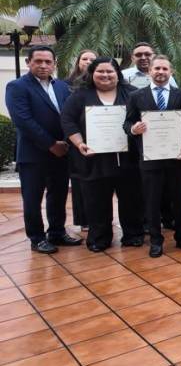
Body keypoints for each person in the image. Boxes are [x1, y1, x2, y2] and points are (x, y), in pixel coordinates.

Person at [61, 57, 144, 252]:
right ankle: (99, 238)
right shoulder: (80, 95)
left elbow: (143, 117)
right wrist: (79, 143)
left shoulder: (132, 93)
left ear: (117, 74)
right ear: (91, 74)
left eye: (110, 72)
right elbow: (67, 120)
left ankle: (133, 235)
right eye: (100, 72)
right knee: (96, 200)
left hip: (128, 157)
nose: (105, 75)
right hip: (94, 159)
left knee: (131, 198)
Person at [6, 46, 80, 254]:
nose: (43, 65)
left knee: (58, 195)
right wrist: (51, 144)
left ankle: (57, 232)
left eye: (48, 62)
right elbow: (23, 121)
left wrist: (67, 142)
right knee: (32, 198)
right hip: (33, 154)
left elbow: (69, 117)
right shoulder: (17, 87)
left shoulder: (62, 87)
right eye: (38, 61)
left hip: (62, 152)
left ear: (54, 64)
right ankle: (37, 237)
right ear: (28, 62)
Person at [124, 55, 181, 258]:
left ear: (171, 72)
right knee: (152, 200)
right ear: (149, 72)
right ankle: (156, 240)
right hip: (150, 159)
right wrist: (134, 129)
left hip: (176, 158)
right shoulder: (136, 96)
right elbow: (126, 123)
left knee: (179, 200)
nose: (161, 72)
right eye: (157, 68)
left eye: (165, 69)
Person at [64, 49, 98, 231]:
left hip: (100, 140)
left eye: (93, 59)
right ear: (78, 62)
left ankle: (98, 218)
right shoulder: (66, 85)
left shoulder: (100, 83)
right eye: (84, 58)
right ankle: (83, 220)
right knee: (79, 181)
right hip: (76, 140)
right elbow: (66, 115)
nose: (88, 61)